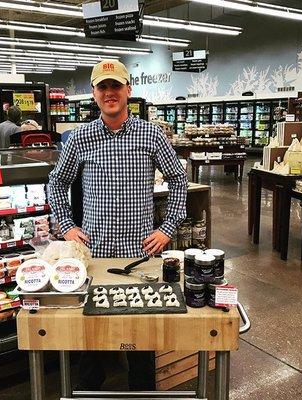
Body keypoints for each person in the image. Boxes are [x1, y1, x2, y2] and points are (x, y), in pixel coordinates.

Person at [48, 59, 188, 390]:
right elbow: (56, 183)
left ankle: (143, 395)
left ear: (128, 90)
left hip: (140, 257)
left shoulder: (151, 133)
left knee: (142, 342)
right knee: (91, 344)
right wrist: (67, 225)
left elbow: (178, 180)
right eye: (102, 87)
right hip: (94, 256)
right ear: (94, 94)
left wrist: (167, 228)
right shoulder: (80, 137)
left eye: (115, 86)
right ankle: (90, 394)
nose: (109, 93)